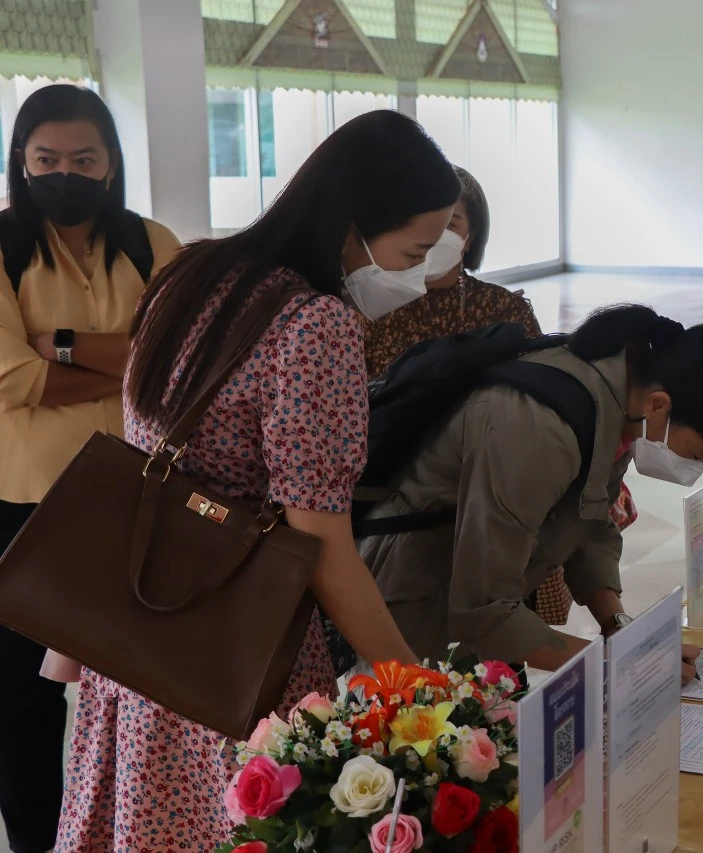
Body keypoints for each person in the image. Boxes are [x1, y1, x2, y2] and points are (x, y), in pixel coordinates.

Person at [54, 110, 459, 851]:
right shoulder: (315, 326)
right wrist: (414, 683)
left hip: (139, 629)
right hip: (229, 646)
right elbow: (323, 545)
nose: (420, 277)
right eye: (416, 251)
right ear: (353, 228)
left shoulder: (193, 272)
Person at [358, 304, 703, 683]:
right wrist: (617, 663)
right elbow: (483, 610)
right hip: (415, 599)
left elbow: (591, 526)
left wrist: (621, 629)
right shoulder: (539, 429)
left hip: (471, 587)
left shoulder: (622, 396)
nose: (695, 468)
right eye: (698, 454)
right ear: (660, 406)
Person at [0, 84, 181, 853]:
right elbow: (10, 382)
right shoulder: (2, 246)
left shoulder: (153, 243)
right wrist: (131, 360)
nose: (64, 172)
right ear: (20, 162)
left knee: (147, 693)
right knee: (24, 705)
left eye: (83, 158)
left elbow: (182, 358)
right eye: (46, 159)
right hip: (26, 509)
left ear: (111, 165)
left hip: (143, 503)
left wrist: (61, 343)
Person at [359, 166, 639, 630]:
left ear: (471, 238)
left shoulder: (504, 308)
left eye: (453, 224)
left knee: (500, 620)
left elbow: (544, 394)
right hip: (404, 492)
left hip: (502, 485)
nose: (437, 236)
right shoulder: (370, 307)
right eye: (429, 221)